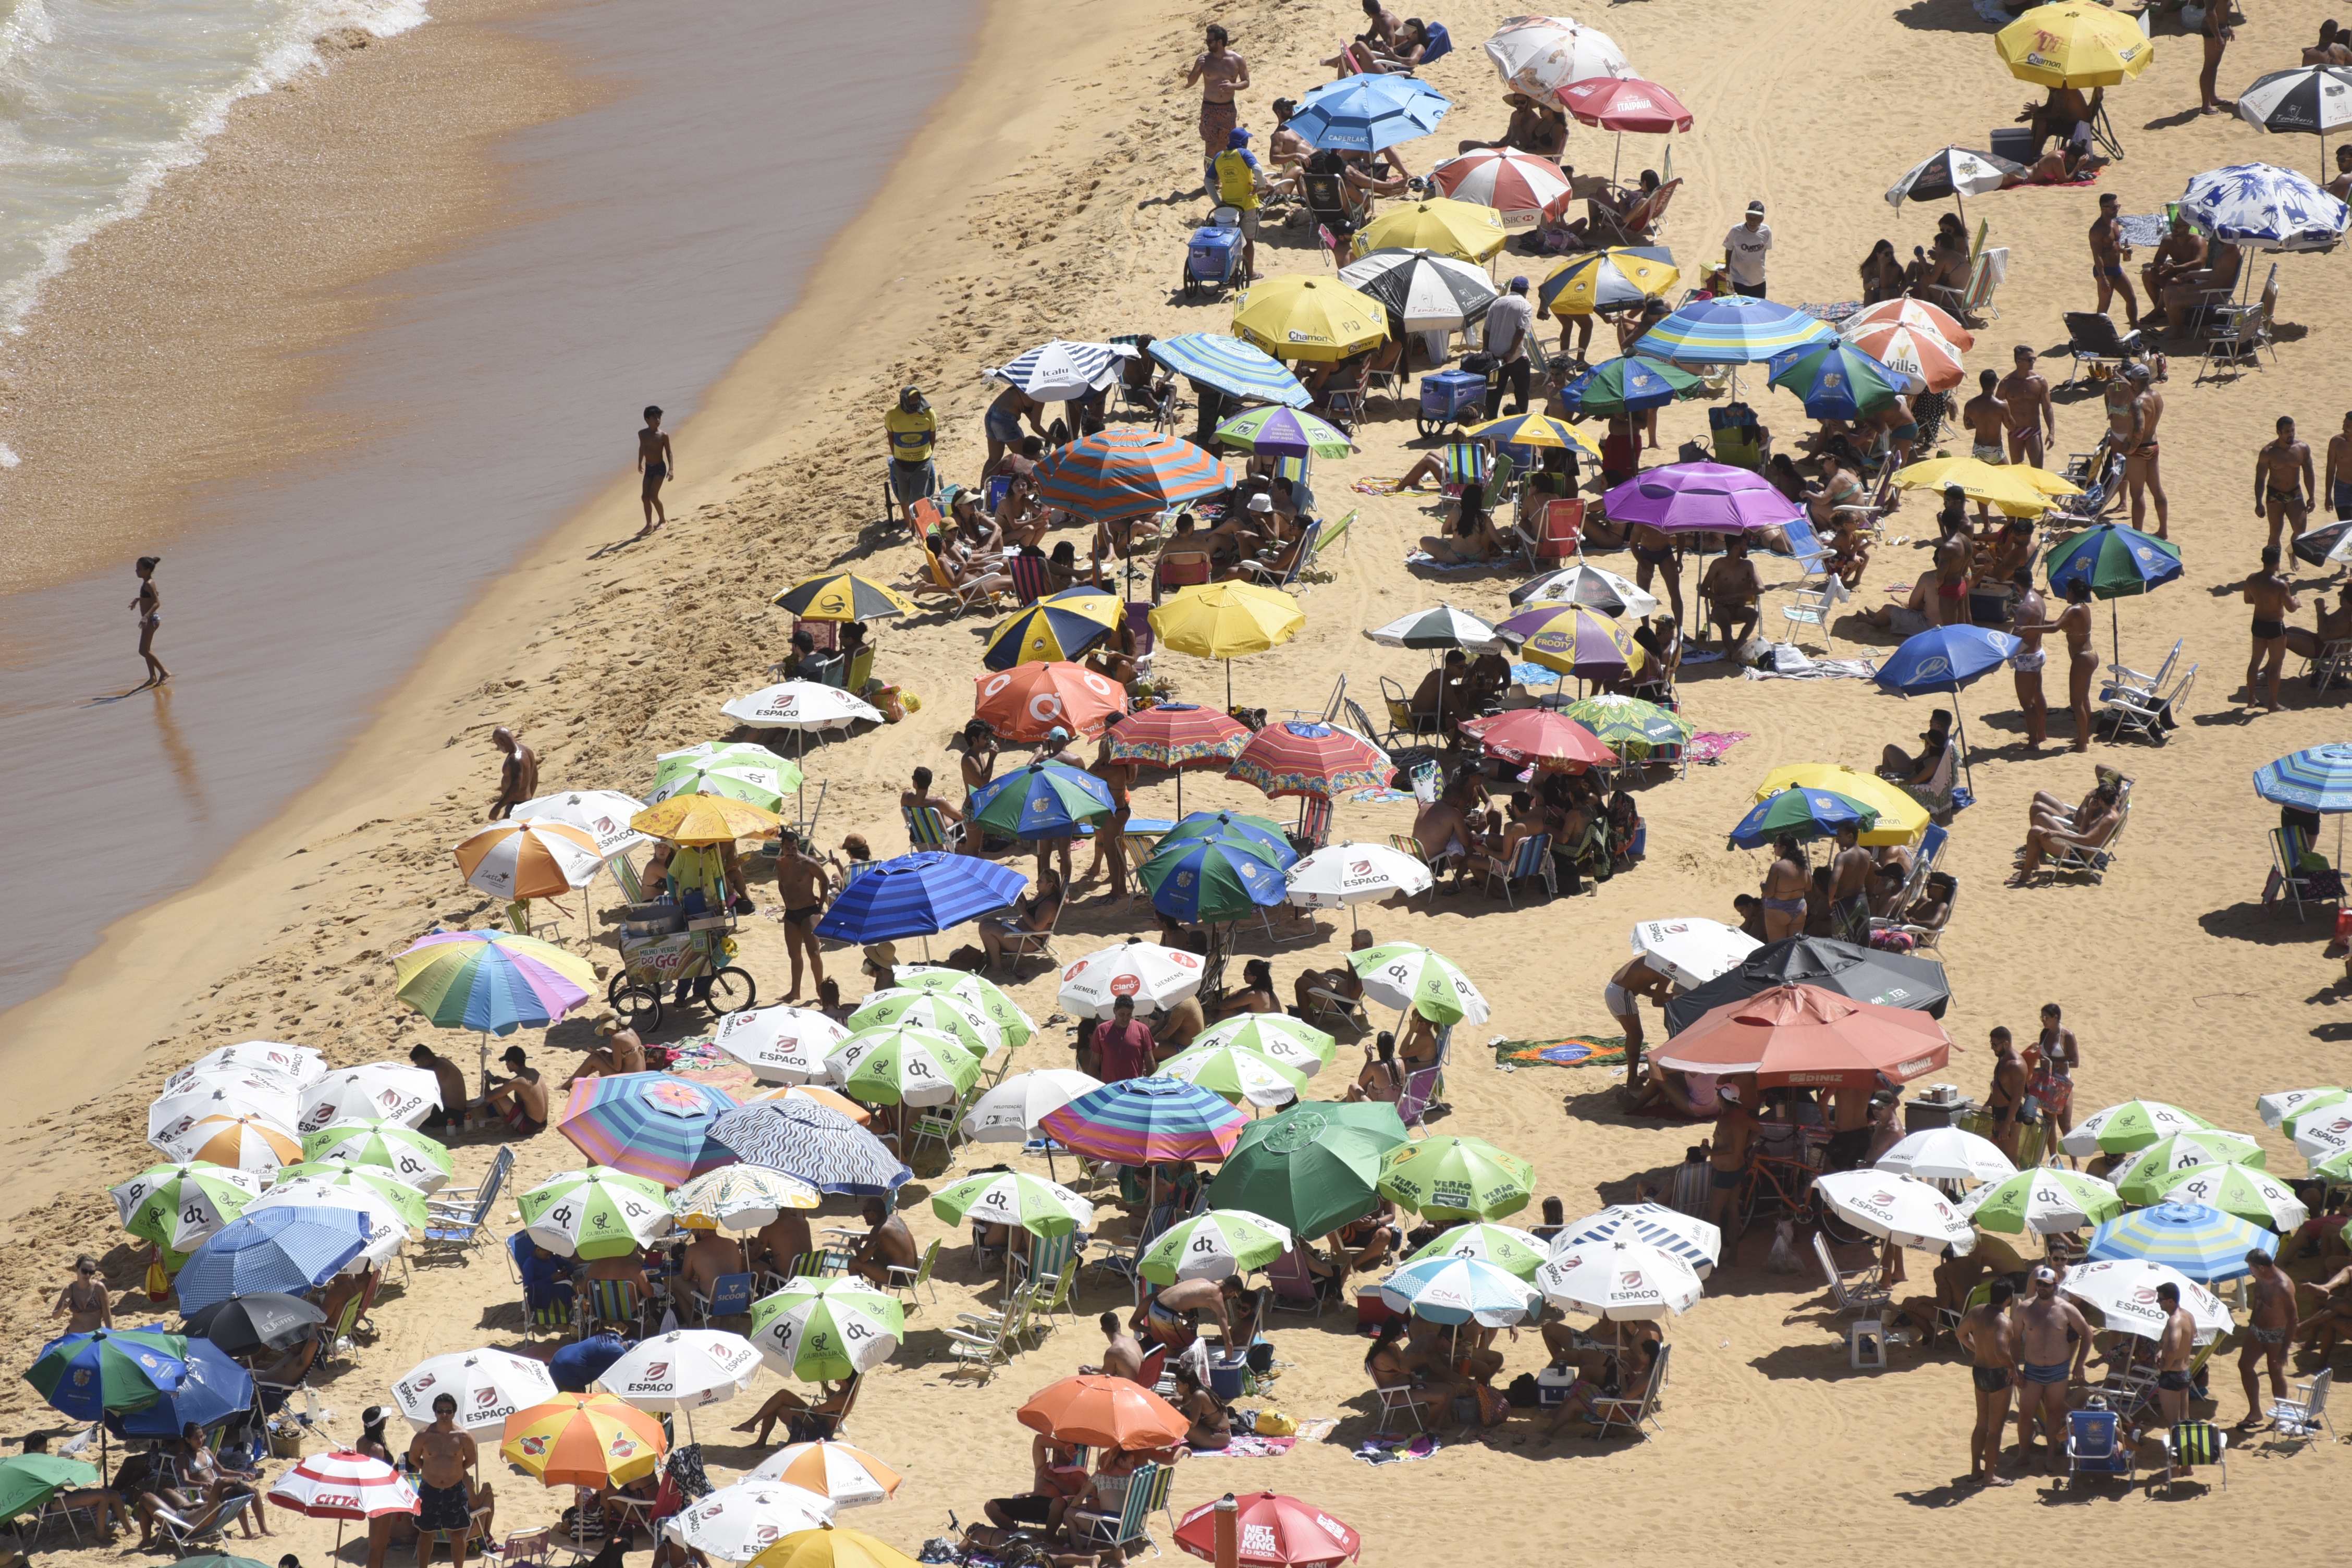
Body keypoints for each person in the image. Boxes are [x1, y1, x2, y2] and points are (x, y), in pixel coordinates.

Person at [2010, 1265, 2092, 1473]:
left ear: (2056, 1286)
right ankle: (2023, 1454)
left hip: (2058, 1370)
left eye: (2046, 1285)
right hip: (2033, 1369)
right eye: (2039, 1284)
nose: (2041, 1288)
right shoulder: (2025, 1309)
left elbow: (2087, 1333)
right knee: (2026, 1413)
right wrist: (2014, 1366)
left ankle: (2050, 1457)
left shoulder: (2066, 1309)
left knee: (2055, 1413)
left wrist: (2080, 1363)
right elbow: (2014, 1339)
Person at [2018, 577, 2096, 752]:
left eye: (2068, 590)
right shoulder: (2083, 608)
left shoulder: (2074, 609)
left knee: (2076, 703)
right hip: (2089, 656)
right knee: (2083, 699)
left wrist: (2029, 629)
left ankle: (2082, 745)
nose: (2066, 593)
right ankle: (2083, 738)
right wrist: (2036, 622)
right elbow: (2056, 623)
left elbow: (2054, 628)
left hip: (2082, 659)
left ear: (2073, 592)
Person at [1954, 1278, 2019, 1486]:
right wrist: (2012, 1367)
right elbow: (2001, 1351)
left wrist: (1978, 1349)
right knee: (1995, 1428)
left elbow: (1960, 1334)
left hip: (1979, 1370)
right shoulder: (2004, 1321)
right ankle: (1990, 1475)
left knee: (1981, 1423)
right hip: (1998, 1374)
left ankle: (1975, 1471)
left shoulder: (1976, 1311)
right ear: (2009, 1299)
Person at [408, 1393, 479, 1568]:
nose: (444, 1414)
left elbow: (471, 1459)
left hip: (454, 1489)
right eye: (441, 1411)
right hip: (429, 1490)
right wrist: (429, 1469)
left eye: (448, 1411)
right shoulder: (424, 1435)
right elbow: (413, 1458)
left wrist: (456, 1470)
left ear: (454, 1413)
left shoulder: (463, 1436)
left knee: (457, 1535)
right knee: (426, 1534)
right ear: (435, 1412)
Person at [2012, 778, 2121, 884]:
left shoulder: (2108, 819)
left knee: (2035, 831)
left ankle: (2026, 874)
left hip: (2076, 853)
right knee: (2040, 816)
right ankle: (2033, 863)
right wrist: (2090, 811)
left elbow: (2086, 840)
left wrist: (2058, 834)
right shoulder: (2111, 813)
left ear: (2101, 800)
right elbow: (2084, 833)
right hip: (2080, 847)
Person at [1183, 25, 1250, 186]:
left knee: (1224, 145)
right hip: (1209, 108)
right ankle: (1211, 181)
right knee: (1210, 145)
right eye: (1207, 40)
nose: (1207, 43)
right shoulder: (1204, 60)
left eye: (1210, 41)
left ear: (1220, 42)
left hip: (1227, 108)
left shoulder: (1236, 60)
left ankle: (1221, 178)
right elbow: (1190, 82)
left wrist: (1233, 86)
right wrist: (1197, 67)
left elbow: (1246, 82)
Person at [1602, 952, 1676, 1095]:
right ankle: (1632, 1081)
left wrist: (1666, 996)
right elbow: (1657, 1002)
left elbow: (1642, 987)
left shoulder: (1653, 958)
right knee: (1636, 1036)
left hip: (1614, 990)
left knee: (1634, 1035)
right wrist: (1677, 999)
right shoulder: (1669, 967)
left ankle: (1633, 1078)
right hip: (1622, 993)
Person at [2238, 1247, 2296, 1428]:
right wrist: (2251, 1327)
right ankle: (2255, 1412)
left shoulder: (2283, 1286)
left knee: (2275, 1374)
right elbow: (2258, 1303)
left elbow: (2294, 1319)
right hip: (2257, 1330)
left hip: (2276, 1334)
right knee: (2244, 1366)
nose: (2250, 1271)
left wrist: (2285, 1350)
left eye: (2251, 1268)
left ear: (2261, 1267)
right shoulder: (2260, 1279)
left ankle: (2282, 1414)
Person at [2110, 362, 2166, 537]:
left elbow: (2139, 429)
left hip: (2139, 449)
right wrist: (2128, 383)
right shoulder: (2157, 396)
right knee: (2157, 490)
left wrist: (2131, 449)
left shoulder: (2137, 403)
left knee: (2137, 493)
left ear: (2135, 381)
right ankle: (2163, 530)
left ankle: (2137, 534)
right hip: (2153, 445)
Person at [774, 832, 831, 1001]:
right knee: (794, 955)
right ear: (782, 848)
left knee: (814, 953)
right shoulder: (779, 863)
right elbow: (781, 884)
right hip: (791, 914)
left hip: (809, 912)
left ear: (798, 847)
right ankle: (795, 992)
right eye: (787, 848)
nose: (791, 851)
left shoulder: (808, 863)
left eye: (794, 848)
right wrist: (786, 903)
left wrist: (820, 907)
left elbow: (825, 881)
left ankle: (821, 991)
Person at [2244, 545, 2301, 712]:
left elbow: (2248, 600)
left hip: (2258, 624)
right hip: (2275, 626)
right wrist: (2297, 602)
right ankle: (2273, 704)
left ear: (2263, 560)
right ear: (2277, 563)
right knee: (2276, 665)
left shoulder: (2252, 579)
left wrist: (2264, 601)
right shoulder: (2281, 585)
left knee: (2255, 662)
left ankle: (2251, 699)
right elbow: (2291, 608)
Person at [978, 867, 1062, 973]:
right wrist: (1022, 899)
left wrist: (1023, 911)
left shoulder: (1049, 905)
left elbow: (1037, 927)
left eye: (1040, 881)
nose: (1037, 882)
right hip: (1021, 934)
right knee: (985, 922)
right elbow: (1032, 912)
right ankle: (992, 957)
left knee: (987, 930)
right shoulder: (1043, 896)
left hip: (1028, 941)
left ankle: (996, 967)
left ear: (1050, 885)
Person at [2025, 1003, 2078, 1160]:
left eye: (2046, 1017)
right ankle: (2054, 1158)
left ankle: (2075, 1163)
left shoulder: (2067, 1036)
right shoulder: (2045, 1034)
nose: (2043, 1020)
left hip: (2062, 1084)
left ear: (2056, 1017)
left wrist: (2052, 1061)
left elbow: (2075, 1062)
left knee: (2066, 1126)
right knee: (2049, 1125)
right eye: (2041, 1017)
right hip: (2047, 1083)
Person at [2257, 414, 2316, 553]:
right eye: (2288, 432)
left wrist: (2312, 497)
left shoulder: (2302, 449)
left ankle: (2291, 551)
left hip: (2294, 493)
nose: (2291, 434)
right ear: (2279, 433)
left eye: (2293, 431)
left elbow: (2309, 473)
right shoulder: (2268, 452)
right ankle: (2273, 566)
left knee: (2300, 530)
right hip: (2274, 495)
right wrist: (2259, 502)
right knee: (2275, 533)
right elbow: (2260, 479)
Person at [1211, 127, 1264, 280]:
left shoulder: (1219, 156)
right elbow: (1258, 169)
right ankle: (1250, 273)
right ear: (1244, 142)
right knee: (1248, 241)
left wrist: (1218, 202)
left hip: (1227, 208)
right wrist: (1259, 185)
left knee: (1229, 241)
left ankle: (1231, 274)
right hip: (1247, 204)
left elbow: (1208, 181)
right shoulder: (1244, 153)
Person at [1481, 276, 1536, 419]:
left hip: (1494, 358)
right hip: (1516, 358)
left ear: (1512, 289)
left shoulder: (1497, 302)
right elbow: (1520, 331)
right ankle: (1521, 421)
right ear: (1525, 291)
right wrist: (1511, 352)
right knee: (1522, 392)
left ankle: (1491, 420)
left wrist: (1486, 349)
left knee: (1493, 392)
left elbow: (1486, 329)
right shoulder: (1525, 305)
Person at [1997, 346, 2055, 470]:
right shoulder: (2006, 383)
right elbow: (1997, 409)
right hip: (2015, 431)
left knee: (2038, 471)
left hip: (2033, 430)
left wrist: (2051, 432)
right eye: (2029, 359)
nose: (2033, 362)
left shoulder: (2039, 382)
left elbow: (2047, 408)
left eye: (2034, 359)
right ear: (2019, 361)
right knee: (2017, 471)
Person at [1699, 536, 1761, 650]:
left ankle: (1736, 648)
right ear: (1736, 548)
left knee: (1753, 615)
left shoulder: (1748, 565)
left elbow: (1761, 588)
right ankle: (1733, 652)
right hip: (1721, 607)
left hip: (1739, 607)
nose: (1747, 548)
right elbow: (1702, 590)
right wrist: (1720, 598)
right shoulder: (1718, 564)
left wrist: (1737, 596)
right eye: (1744, 545)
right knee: (1726, 623)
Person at [2087, 191, 2138, 329]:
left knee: (2132, 299)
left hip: (2117, 268)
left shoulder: (2115, 224)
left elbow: (2114, 246)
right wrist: (2103, 278)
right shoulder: (2097, 230)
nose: (2117, 210)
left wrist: (2124, 250)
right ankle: (2099, 333)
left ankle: (2135, 328)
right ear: (2104, 208)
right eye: (2114, 207)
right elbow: (2097, 255)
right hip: (2105, 271)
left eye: (2118, 206)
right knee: (2105, 305)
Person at [885, 386, 938, 518]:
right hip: (901, 463)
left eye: (917, 398)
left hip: (922, 463)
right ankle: (909, 525)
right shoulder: (892, 414)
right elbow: (890, 436)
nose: (915, 401)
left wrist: (927, 453)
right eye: (911, 399)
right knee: (904, 497)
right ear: (904, 400)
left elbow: (933, 435)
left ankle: (921, 524)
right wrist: (896, 454)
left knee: (919, 497)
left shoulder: (928, 413)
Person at [477, 1045, 547, 1135]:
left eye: (507, 1062)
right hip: (543, 1123)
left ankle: (507, 1125)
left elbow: (489, 1097)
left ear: (513, 1064)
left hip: (530, 1127)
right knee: (516, 1092)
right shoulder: (534, 1072)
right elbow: (525, 1087)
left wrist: (487, 1082)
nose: (506, 1065)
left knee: (498, 1097)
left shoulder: (516, 1082)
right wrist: (504, 1081)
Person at [2139, 214, 2207, 306]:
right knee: (2147, 274)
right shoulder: (2168, 240)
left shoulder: (2198, 240)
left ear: (2188, 227)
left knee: (2173, 281)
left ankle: (2157, 312)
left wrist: (2175, 269)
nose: (2175, 228)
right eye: (2174, 225)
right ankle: (2159, 310)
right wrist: (2161, 268)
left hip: (2191, 277)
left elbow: (2200, 263)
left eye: (2178, 226)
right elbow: (2158, 260)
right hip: (2173, 275)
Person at [849, 1197, 916, 1287]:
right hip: (913, 1275)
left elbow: (862, 1258)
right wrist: (870, 1238)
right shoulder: (895, 1218)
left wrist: (855, 1243)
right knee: (878, 1250)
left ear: (872, 1214)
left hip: (900, 1279)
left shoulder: (879, 1230)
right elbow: (890, 1240)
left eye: (864, 1212)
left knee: (853, 1263)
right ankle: (877, 1293)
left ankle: (860, 1296)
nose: (863, 1215)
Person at [1089, 995, 1158, 1083]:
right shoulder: (1101, 1030)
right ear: (1115, 1011)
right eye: (1122, 1014)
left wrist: (1150, 1084)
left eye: (1129, 1014)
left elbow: (1150, 1061)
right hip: (1110, 1088)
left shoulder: (1143, 1030)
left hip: (1135, 1087)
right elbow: (1094, 1063)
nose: (1125, 1018)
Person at [1984, 1027, 2027, 1164]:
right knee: (1999, 1158)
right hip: (1999, 1114)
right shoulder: (2002, 1059)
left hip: (2011, 1117)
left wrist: (2007, 1125)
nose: (1993, 1048)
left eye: (1995, 1045)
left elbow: (2017, 1098)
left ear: (2006, 1043)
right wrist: (1988, 1104)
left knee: (2010, 1160)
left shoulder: (2016, 1065)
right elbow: (1997, 1086)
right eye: (1991, 1044)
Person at [1880, 708, 1952, 786]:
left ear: (1938, 726)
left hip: (1912, 777)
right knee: (1889, 749)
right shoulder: (1938, 744)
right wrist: (1923, 755)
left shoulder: (1936, 759)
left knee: (1887, 760)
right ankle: (1885, 773)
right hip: (1914, 768)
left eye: (1931, 724)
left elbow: (1912, 781)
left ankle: (1884, 775)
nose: (1929, 726)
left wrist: (1889, 783)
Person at [412, 1043, 471, 1135]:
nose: (419, 1067)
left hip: (452, 1116)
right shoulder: (442, 1061)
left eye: (419, 1064)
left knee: (415, 1113)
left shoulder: (438, 1070)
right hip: (456, 1111)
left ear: (426, 1060)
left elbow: (420, 1087)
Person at [129, 555, 169, 688]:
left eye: (139, 569)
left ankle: (164, 672)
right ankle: (152, 676)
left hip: (151, 620)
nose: (136, 571)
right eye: (137, 569)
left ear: (147, 570)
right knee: (147, 650)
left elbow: (157, 603)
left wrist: (146, 616)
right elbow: (153, 596)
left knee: (143, 651)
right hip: (150, 619)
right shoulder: (148, 583)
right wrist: (139, 599)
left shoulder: (148, 584)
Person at [1759, 833, 1807, 942]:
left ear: (1784, 848)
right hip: (1799, 908)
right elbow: (1809, 887)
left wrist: (1763, 885)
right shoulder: (1803, 864)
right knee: (1794, 947)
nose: (1774, 847)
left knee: (1778, 948)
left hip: (1778, 909)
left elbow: (1769, 893)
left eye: (1776, 845)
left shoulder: (1777, 867)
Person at [634, 406, 673, 538]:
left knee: (653, 496)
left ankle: (663, 520)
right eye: (655, 418)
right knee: (645, 497)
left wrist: (671, 469)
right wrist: (640, 462)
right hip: (649, 468)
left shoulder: (663, 436)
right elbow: (642, 448)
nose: (658, 420)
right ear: (647, 420)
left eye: (659, 417)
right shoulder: (642, 434)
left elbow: (669, 452)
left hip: (659, 468)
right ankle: (649, 524)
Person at [1722, 200, 1771, 298]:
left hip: (1759, 279)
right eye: (1750, 217)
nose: (1752, 221)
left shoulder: (1766, 231)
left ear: (1762, 219)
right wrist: (1728, 266)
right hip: (1738, 279)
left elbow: (1765, 250)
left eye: (1756, 218)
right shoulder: (1736, 231)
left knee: (1759, 307)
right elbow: (1729, 248)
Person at [488, 727, 538, 820]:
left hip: (516, 804)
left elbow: (515, 787)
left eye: (497, 744)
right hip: (525, 801)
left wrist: (497, 808)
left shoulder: (515, 759)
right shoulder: (528, 751)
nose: (498, 747)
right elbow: (535, 777)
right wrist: (529, 798)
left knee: (507, 831)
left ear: (502, 741)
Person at [53, 1254, 112, 1332]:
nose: (87, 1275)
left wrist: (111, 1335)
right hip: (74, 1336)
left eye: (91, 1272)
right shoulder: (70, 1290)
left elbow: (107, 1316)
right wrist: (62, 1308)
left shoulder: (99, 1288)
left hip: (94, 1337)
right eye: (84, 1271)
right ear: (77, 1269)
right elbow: (55, 1317)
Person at [1081, 1310, 1145, 1381]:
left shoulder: (1112, 1352)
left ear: (1103, 1330)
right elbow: (1119, 1368)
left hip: (1132, 1388)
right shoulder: (1133, 1341)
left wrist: (1087, 1375)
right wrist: (1093, 1367)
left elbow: (1104, 1378)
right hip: (1146, 1381)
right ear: (1119, 1325)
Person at [1344, 1030, 1404, 1104]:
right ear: (1393, 1047)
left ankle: (1349, 1113)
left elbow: (1361, 1084)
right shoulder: (1401, 1062)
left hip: (1383, 1110)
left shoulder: (1374, 1066)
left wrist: (1369, 1059)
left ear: (1378, 1047)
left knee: (1353, 1087)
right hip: (1398, 1107)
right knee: (1370, 1086)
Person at [2199, 0, 2234, 116]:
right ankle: (2205, 106)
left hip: (2221, 27)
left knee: (2214, 66)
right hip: (2214, 30)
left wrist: (2228, 25)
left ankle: (2213, 98)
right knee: (2209, 66)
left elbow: (2226, 6)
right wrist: (2217, 36)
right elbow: (2210, 12)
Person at [1859, 239, 1905, 304]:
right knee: (1868, 294)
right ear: (1878, 255)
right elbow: (1865, 287)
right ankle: (1869, 314)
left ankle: (1885, 314)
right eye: (1887, 254)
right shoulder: (1869, 267)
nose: (1890, 256)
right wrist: (1871, 284)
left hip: (1892, 295)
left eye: (1891, 254)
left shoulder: (1895, 268)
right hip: (1878, 294)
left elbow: (1884, 286)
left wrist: (1883, 266)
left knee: (1884, 292)